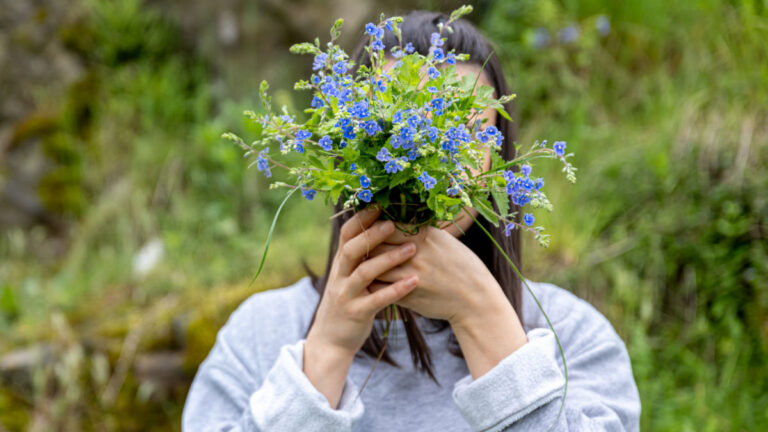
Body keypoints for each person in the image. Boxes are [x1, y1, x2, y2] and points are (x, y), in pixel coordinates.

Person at [182, 10, 641, 432]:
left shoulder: (570, 338)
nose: (431, 162)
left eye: (466, 135)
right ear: (348, 149)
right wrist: (327, 352)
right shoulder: (262, 334)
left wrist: (481, 313)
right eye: (401, 125)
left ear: (498, 162)